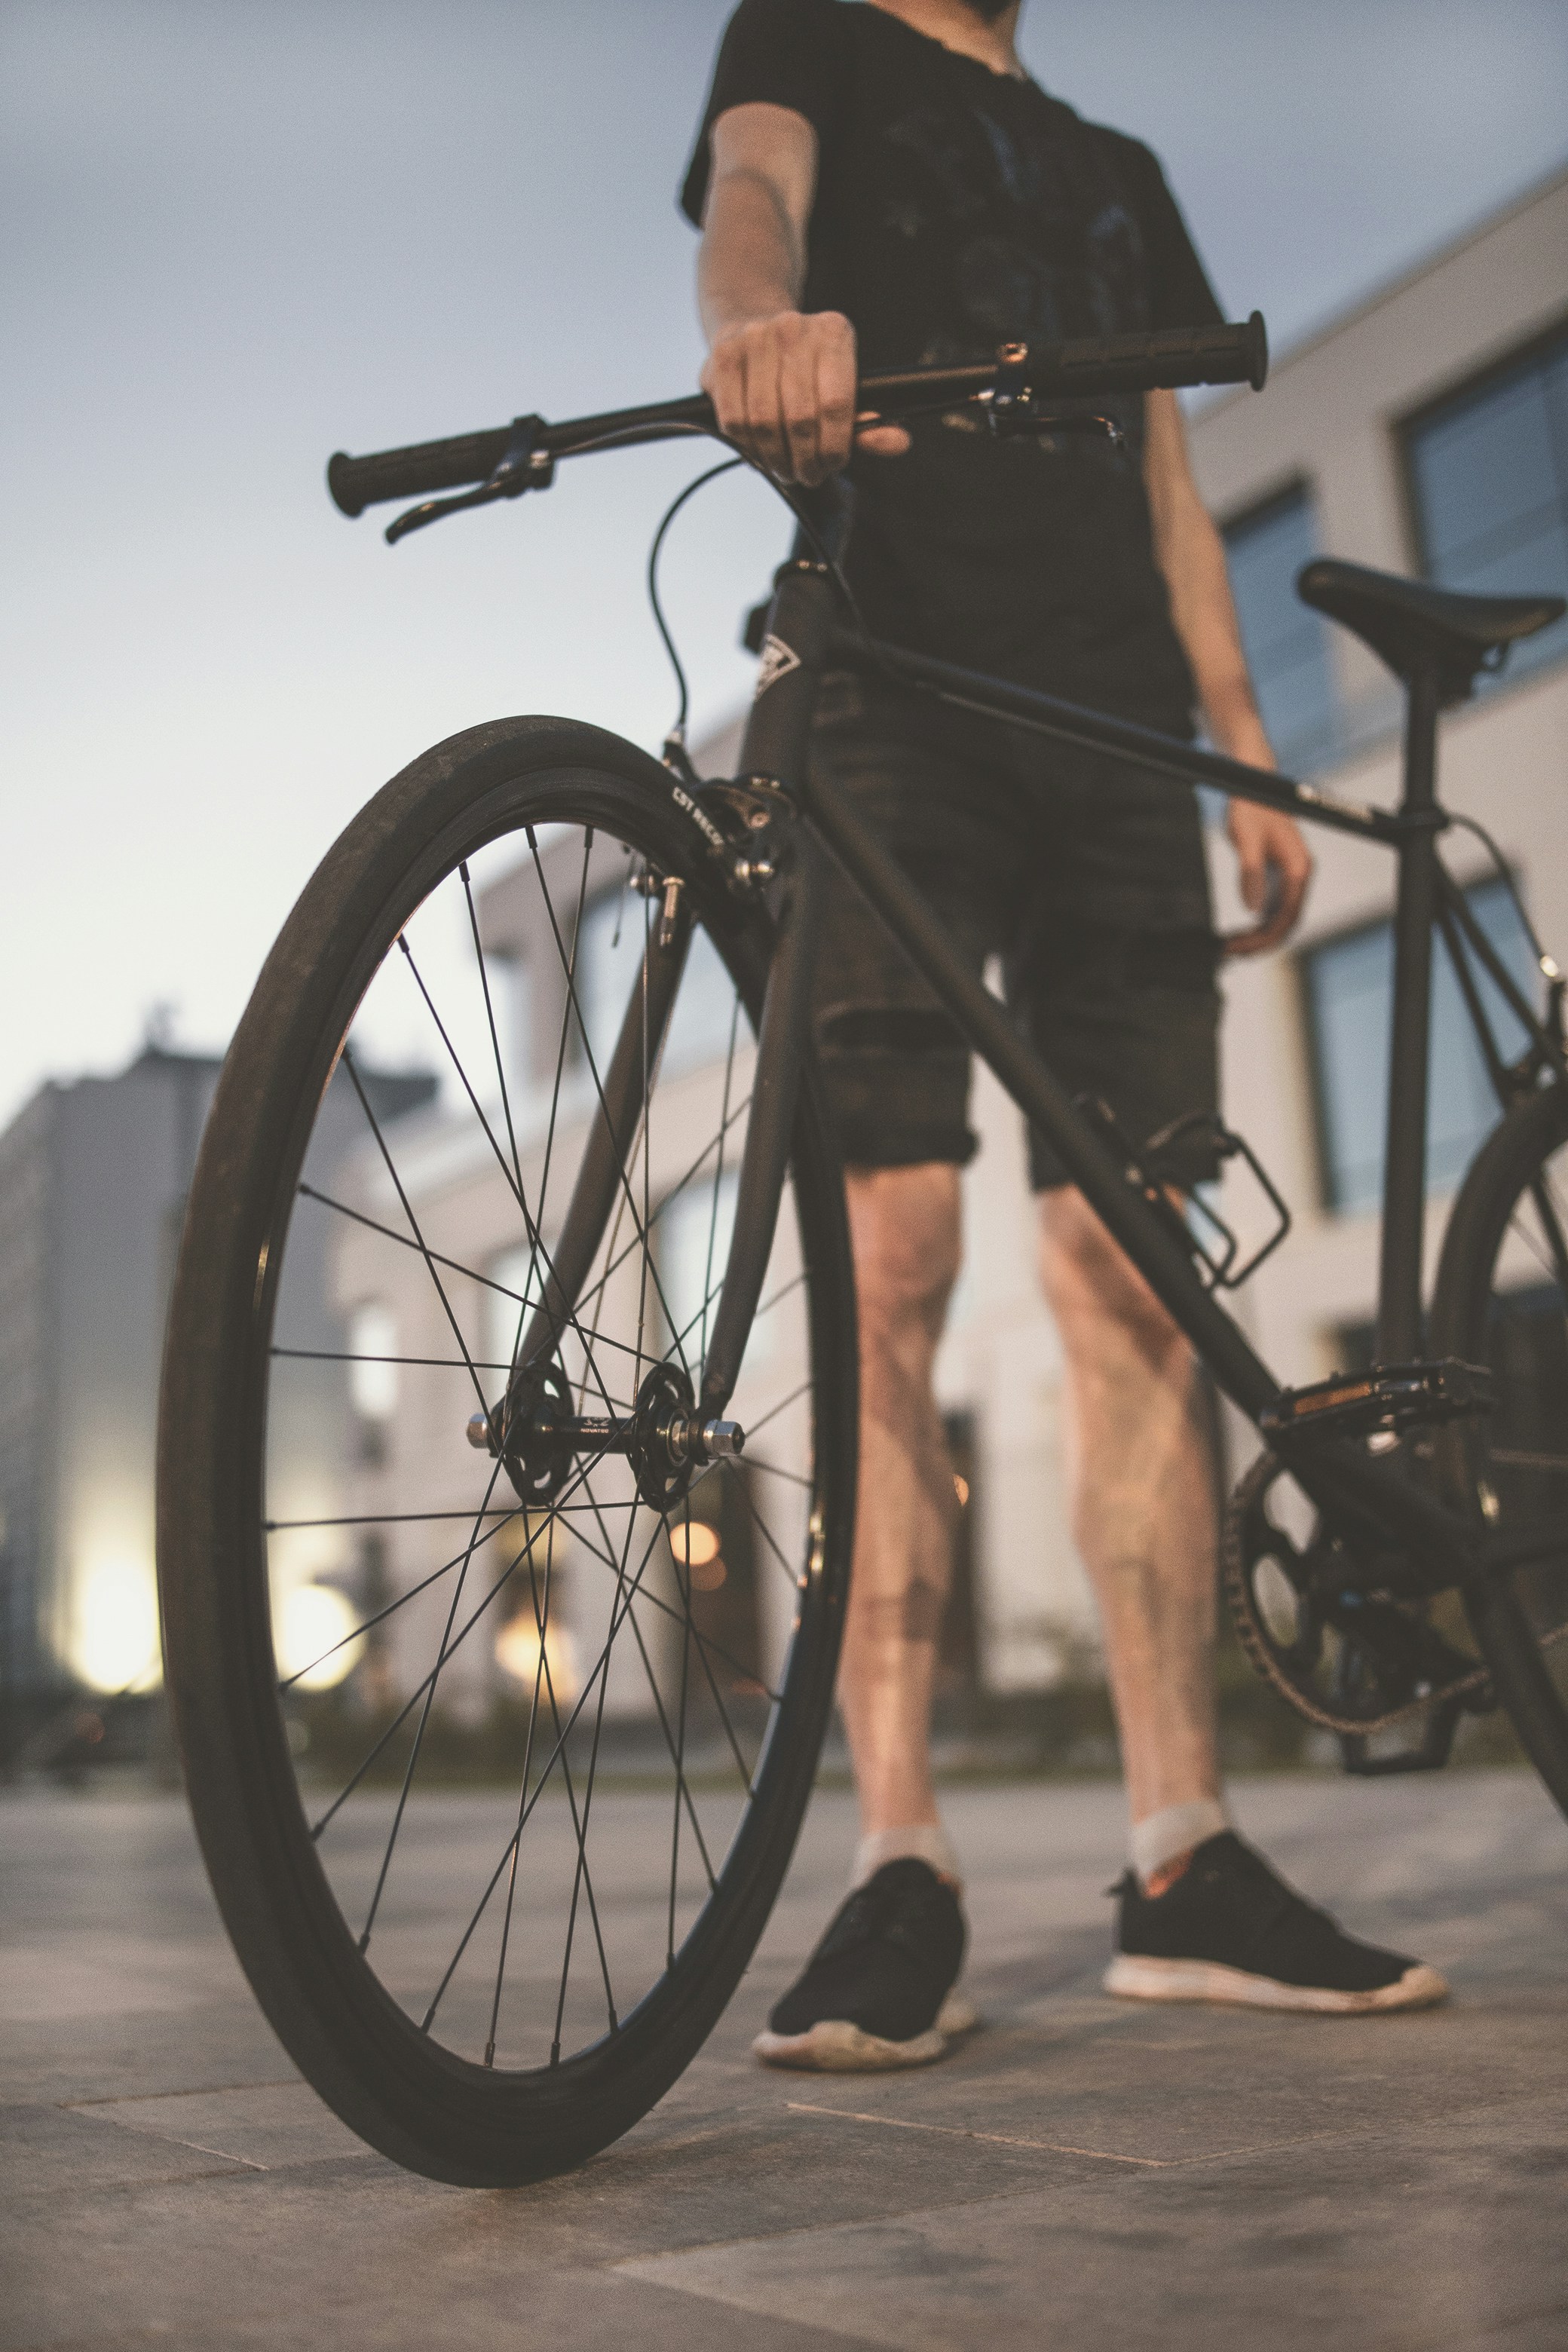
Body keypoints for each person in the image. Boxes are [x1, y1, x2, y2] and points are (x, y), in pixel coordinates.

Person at [682, 0, 1447, 2072]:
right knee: (899, 1271)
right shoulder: (810, 33)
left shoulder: (1126, 173)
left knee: (1126, 1278)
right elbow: (753, 196)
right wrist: (756, 325)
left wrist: (1242, 733)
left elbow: (1177, 478)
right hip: (902, 705)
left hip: (1119, 740)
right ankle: (899, 1860)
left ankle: (1184, 1858)